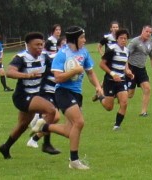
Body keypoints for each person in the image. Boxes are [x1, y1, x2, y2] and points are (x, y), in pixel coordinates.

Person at [31, 26, 103, 170]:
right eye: (82, 37)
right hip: (63, 92)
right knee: (79, 122)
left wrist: (97, 86)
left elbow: (90, 72)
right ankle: (74, 161)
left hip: (77, 94)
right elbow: (57, 78)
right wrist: (74, 71)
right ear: (74, 39)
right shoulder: (62, 54)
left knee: (70, 131)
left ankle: (43, 126)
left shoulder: (84, 52)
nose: (85, 40)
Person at [0, 32, 56, 159]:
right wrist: (27, 75)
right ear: (28, 45)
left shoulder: (45, 57)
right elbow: (10, 72)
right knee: (51, 110)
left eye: (42, 44)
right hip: (23, 96)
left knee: (23, 125)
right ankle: (46, 144)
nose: (40, 47)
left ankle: (5, 147)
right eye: (37, 45)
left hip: (35, 95)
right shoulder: (21, 57)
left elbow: (56, 65)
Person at [92, 29, 134, 130]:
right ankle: (100, 96)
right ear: (117, 39)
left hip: (121, 81)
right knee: (109, 107)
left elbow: (125, 65)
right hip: (110, 81)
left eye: (125, 38)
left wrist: (128, 72)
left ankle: (117, 125)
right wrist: (112, 74)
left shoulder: (127, 51)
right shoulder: (111, 49)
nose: (123, 40)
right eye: (121, 38)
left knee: (124, 102)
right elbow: (101, 64)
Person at [26, 50, 61, 155]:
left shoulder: (69, 58)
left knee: (53, 119)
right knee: (55, 117)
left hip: (56, 92)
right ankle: (38, 122)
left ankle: (35, 139)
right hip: (46, 92)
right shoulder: (52, 58)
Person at [126, 25, 152, 117]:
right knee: (130, 94)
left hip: (141, 69)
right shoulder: (135, 42)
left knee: (147, 89)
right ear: (142, 31)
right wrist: (127, 69)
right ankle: (113, 94)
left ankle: (143, 112)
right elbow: (125, 55)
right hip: (131, 68)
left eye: (150, 32)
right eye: (146, 31)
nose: (148, 34)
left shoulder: (150, 44)